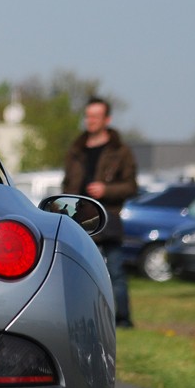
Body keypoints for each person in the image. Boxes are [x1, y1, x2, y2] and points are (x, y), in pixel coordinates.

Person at [62, 97, 138, 328]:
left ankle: (122, 320)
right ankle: (82, 318)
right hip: (78, 220)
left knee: (114, 271)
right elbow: (66, 183)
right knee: (79, 272)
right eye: (88, 116)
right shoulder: (76, 150)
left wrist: (106, 190)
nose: (90, 120)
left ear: (107, 119)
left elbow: (131, 187)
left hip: (109, 218)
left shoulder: (120, 151)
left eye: (96, 116)